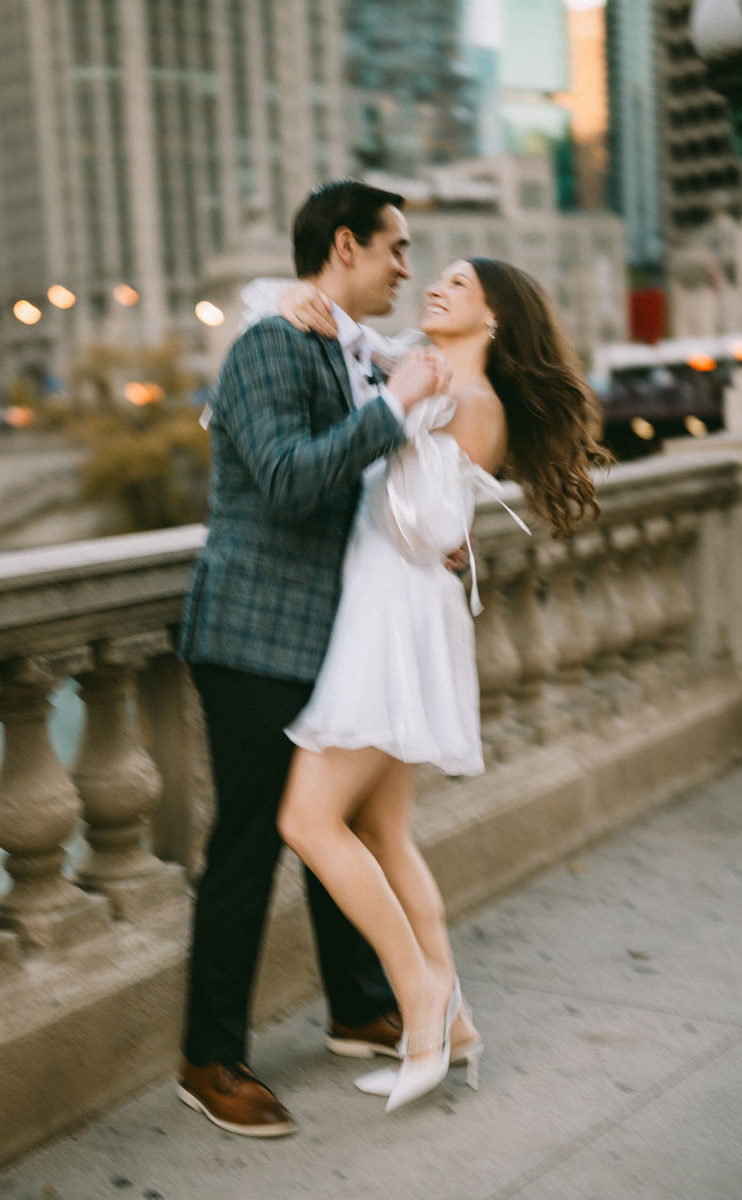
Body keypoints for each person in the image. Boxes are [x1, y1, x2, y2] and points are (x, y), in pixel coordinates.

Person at [250, 256, 612, 1111]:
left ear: (492, 317)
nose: (437, 287)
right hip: (396, 612)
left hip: (392, 619)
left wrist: (399, 408)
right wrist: (298, 301)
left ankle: (418, 997)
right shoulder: (431, 371)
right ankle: (453, 1024)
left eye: (457, 283)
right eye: (435, 277)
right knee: (383, 827)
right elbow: (344, 335)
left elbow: (426, 527)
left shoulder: (467, 401)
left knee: (306, 817)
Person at [176, 179, 450, 1137]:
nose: (407, 268)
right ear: (346, 245)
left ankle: (355, 1006)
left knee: (329, 825)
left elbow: (365, 487)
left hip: (330, 633)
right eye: (396, 248)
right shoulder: (266, 346)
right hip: (251, 636)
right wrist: (395, 405)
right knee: (250, 844)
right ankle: (208, 1058)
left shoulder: (346, 348)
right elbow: (290, 479)